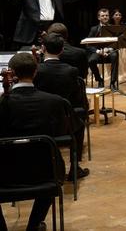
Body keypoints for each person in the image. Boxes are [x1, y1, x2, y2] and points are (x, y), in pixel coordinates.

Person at [0, 53, 70, 231]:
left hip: (5, 175)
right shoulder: (54, 102)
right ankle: (33, 226)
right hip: (46, 173)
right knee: (51, 166)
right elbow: (62, 133)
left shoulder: (3, 103)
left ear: (12, 72)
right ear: (36, 71)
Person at [34, 33, 90, 179]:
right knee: (79, 122)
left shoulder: (36, 70)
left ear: (43, 48)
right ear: (61, 51)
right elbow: (76, 98)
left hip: (38, 122)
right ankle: (74, 167)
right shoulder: (71, 71)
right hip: (63, 123)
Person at [86, 8, 119, 88]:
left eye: (107, 15)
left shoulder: (112, 28)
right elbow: (88, 44)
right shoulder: (94, 29)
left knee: (115, 56)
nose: (105, 17)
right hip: (98, 51)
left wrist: (108, 49)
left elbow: (116, 42)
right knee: (91, 61)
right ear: (99, 18)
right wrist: (98, 51)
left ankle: (112, 83)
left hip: (109, 51)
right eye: (103, 16)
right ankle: (99, 79)